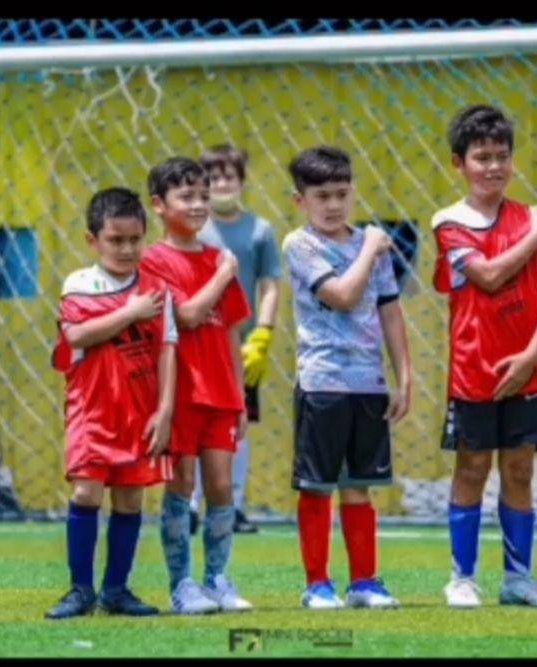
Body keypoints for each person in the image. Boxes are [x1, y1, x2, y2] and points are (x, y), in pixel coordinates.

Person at [431, 104, 537, 608]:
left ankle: (519, 580)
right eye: (482, 157)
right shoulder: (449, 222)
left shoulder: (530, 217)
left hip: (527, 368)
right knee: (472, 468)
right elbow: (488, 276)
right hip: (475, 370)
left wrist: (531, 355)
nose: (493, 166)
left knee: (519, 470)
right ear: (459, 163)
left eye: (501, 156)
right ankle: (462, 578)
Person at [282, 146, 412, 610]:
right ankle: (317, 585)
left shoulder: (369, 242)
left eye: (341, 193)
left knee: (358, 485)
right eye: (322, 196)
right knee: (318, 485)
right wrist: (372, 248)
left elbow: (390, 311)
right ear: (300, 201)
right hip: (323, 382)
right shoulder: (300, 245)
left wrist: (404, 376)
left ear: (352, 191)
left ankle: (365, 583)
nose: (334, 205)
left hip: (367, 383)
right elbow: (341, 295)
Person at [46, 187, 177, 619]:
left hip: (139, 412)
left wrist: (164, 411)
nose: (126, 249)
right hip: (92, 409)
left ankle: (116, 590)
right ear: (93, 240)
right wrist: (130, 313)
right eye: (115, 240)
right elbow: (76, 336)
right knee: (87, 491)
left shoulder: (158, 289)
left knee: (130, 500)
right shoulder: (80, 284)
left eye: (134, 239)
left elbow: (167, 350)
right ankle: (80, 590)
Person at [140, 157, 254, 614]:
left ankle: (218, 580)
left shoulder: (214, 257)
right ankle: (182, 584)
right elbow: (186, 316)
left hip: (220, 393)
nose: (197, 205)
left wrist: (240, 398)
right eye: (186, 196)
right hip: (181, 392)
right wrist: (223, 274)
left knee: (221, 486)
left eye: (203, 197)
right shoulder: (154, 260)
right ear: (159, 204)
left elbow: (230, 331)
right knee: (182, 484)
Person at [187, 143, 282, 536]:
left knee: (239, 425)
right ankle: (191, 505)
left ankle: (235, 505)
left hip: (240, 346)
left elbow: (270, 285)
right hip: (199, 342)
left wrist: (263, 334)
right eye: (213, 178)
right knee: (195, 424)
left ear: (242, 181)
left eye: (229, 176)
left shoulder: (260, 230)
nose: (222, 184)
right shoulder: (195, 230)